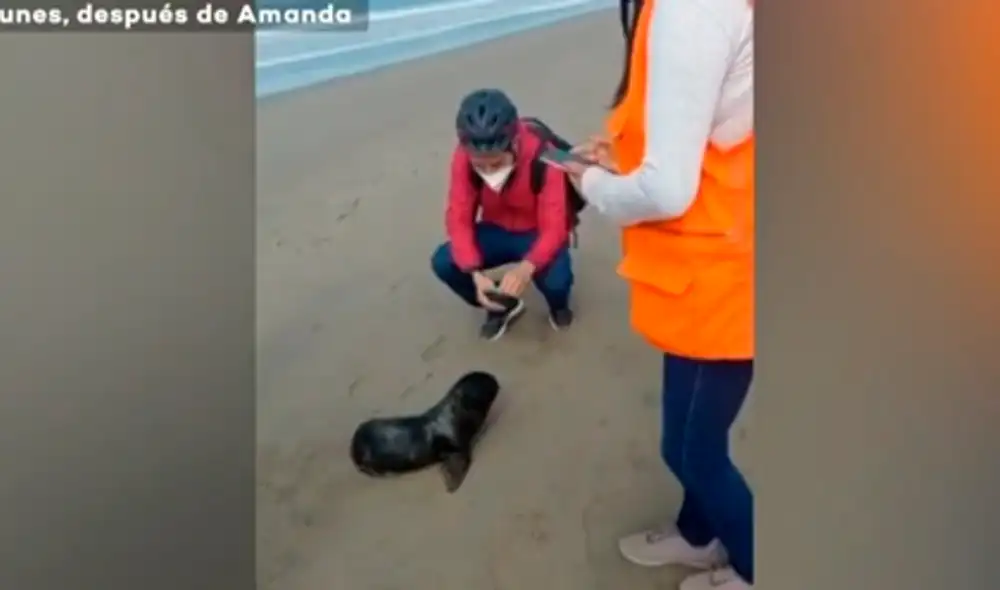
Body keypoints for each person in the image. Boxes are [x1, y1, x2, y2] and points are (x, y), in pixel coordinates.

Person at [564, 0, 754, 588]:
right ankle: (698, 536)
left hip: (722, 273)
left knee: (693, 450)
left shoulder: (691, 11)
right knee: (693, 436)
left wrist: (594, 185)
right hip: (715, 262)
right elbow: (718, 122)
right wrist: (624, 160)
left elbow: (668, 190)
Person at [430, 88, 575, 341]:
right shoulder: (463, 157)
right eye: (479, 164)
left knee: (557, 283)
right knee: (444, 261)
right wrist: (474, 272)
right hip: (496, 228)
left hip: (538, 231)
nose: (487, 170)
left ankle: (558, 306)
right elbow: (458, 216)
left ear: (515, 142)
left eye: (495, 163)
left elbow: (555, 225)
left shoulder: (548, 154)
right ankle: (498, 306)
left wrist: (526, 268)